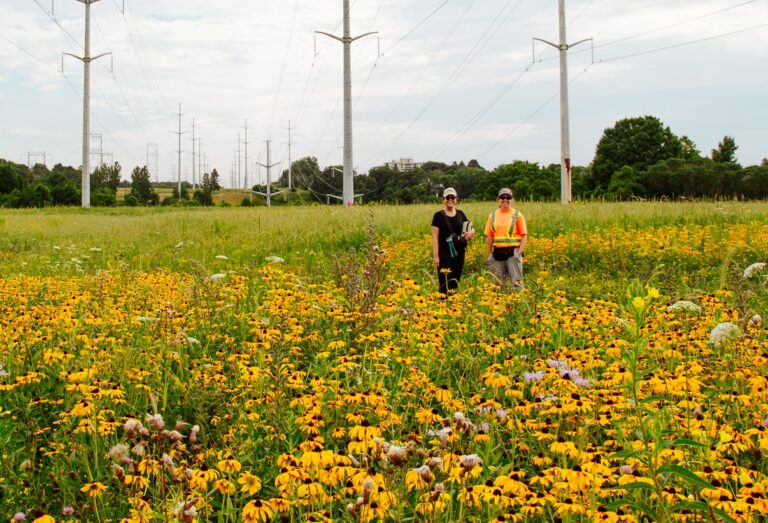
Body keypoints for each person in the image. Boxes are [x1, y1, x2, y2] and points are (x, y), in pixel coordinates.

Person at [431, 187, 474, 295]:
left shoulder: (460, 213)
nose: (450, 199)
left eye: (452, 197)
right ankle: (443, 304)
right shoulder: (438, 215)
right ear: (443, 199)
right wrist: (436, 256)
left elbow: (470, 227)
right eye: (448, 197)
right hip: (444, 253)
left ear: (456, 199)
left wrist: (471, 233)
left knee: (455, 280)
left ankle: (454, 304)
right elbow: (435, 237)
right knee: (444, 281)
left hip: (459, 252)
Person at [484, 187, 527, 290]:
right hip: (497, 254)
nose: (505, 200)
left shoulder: (517, 215)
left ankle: (517, 304)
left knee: (516, 284)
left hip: (513, 254)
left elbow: (524, 234)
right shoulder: (492, 216)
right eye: (502, 197)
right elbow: (490, 236)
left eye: (508, 197)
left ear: (512, 199)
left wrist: (519, 253)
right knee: (498, 284)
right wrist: (489, 254)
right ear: (498, 199)